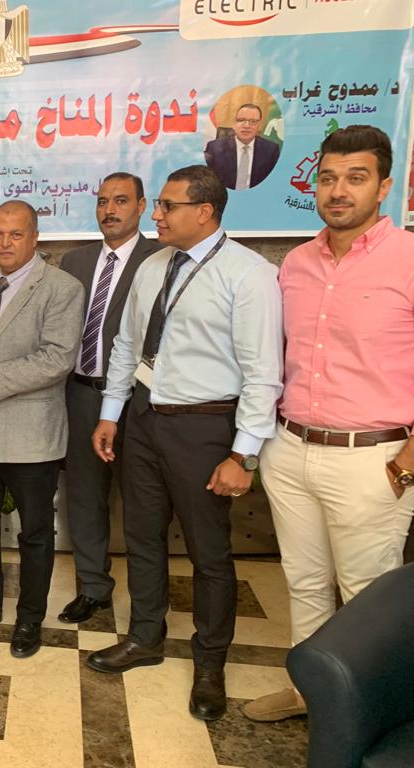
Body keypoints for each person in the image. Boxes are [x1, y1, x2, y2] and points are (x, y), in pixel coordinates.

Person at [85, 165, 283, 722]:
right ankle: (144, 638)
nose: (157, 214)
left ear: (205, 212)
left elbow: (263, 374)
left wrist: (242, 454)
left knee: (209, 553)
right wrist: (111, 414)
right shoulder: (153, 266)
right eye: (159, 205)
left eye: (168, 206)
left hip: (205, 428)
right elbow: (126, 345)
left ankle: (210, 664)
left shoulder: (249, 274)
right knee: (142, 537)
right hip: (144, 420)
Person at [244, 125, 414, 723]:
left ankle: (367, 718)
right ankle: (308, 693)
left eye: (356, 178)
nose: (339, 191)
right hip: (291, 450)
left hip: (373, 458)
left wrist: (409, 460)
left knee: (368, 595)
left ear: (384, 187)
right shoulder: (296, 263)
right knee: (305, 581)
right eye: (329, 178)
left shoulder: (408, 259)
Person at [0, 200, 82, 659]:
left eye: (16, 234)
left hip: (29, 433)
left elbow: (57, 358)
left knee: (35, 533)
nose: (4, 243)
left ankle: (29, 619)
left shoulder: (61, 288)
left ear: (35, 237)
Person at [56, 173, 160, 625]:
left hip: (138, 403)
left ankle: (147, 602)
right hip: (81, 395)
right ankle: (93, 587)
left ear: (141, 206)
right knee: (84, 498)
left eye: (120, 201)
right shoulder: (74, 261)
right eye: (102, 201)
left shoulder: (162, 259)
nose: (109, 210)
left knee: (141, 503)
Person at [204, 104, 280, 190]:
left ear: (259, 125)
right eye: (241, 120)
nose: (246, 126)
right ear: (234, 123)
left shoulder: (271, 150)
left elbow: (273, 183)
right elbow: (208, 181)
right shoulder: (214, 148)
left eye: (253, 121)